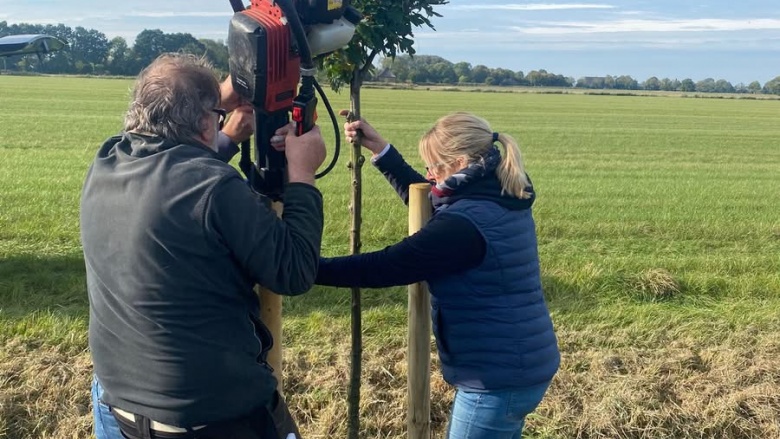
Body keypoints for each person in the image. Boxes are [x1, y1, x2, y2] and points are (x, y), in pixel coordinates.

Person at [81, 53, 327, 439]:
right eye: (215, 114)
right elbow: (293, 271)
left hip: (119, 405)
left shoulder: (108, 159)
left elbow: (175, 172)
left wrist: (221, 125)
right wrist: (302, 173)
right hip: (209, 416)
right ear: (204, 123)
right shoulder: (216, 187)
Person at [315, 111, 560, 439]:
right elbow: (432, 207)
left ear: (459, 163)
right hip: (518, 365)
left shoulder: (466, 224)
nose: (429, 175)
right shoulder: (496, 189)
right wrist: (381, 151)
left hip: (496, 380)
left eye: (433, 167)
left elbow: (391, 264)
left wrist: (309, 269)